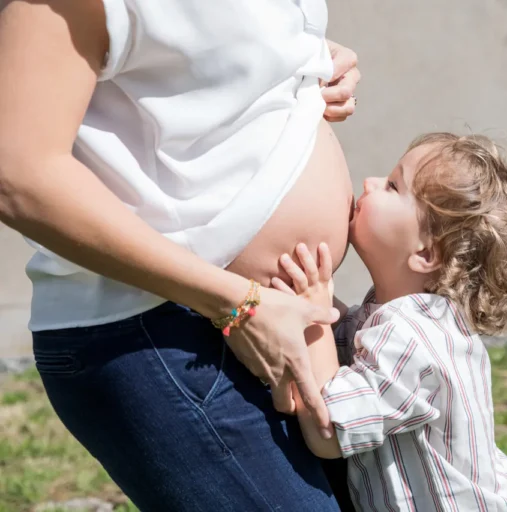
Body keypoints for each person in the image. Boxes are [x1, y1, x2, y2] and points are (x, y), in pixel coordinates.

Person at [0, 0, 361, 510]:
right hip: (162, 329)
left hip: (267, 317)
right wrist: (238, 304)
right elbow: (19, 175)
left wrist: (310, 65)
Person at [272, 133, 507, 511]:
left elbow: (329, 431)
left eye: (392, 186)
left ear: (425, 253)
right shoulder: (409, 317)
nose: (369, 184)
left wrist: (314, 310)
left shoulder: (411, 337)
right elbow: (346, 339)